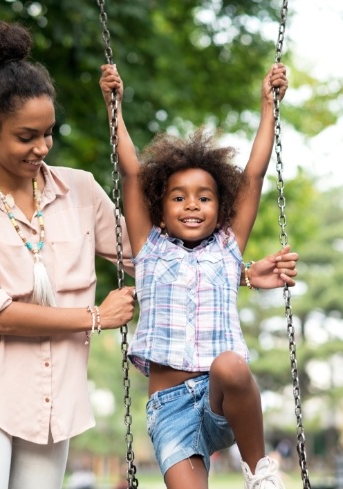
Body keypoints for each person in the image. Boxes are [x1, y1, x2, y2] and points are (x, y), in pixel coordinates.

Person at [0, 21, 298, 489]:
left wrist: (241, 272)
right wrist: (95, 316)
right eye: (26, 136)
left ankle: (258, 470)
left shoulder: (78, 190)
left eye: (49, 133)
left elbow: (160, 258)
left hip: (48, 403)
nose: (41, 147)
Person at [99, 62, 291, 489]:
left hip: (219, 399)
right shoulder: (148, 248)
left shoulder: (228, 248)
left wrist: (268, 107)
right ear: (159, 208)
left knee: (231, 365)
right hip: (169, 408)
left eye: (204, 198)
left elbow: (254, 175)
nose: (191, 205)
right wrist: (114, 109)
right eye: (179, 197)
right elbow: (130, 171)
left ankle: (260, 474)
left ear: (219, 207)